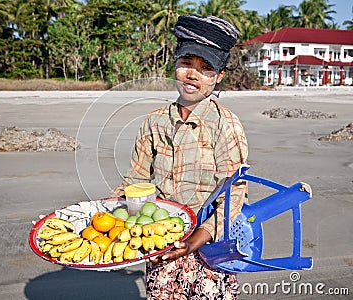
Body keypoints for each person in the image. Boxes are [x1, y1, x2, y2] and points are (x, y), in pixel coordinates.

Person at [110, 15, 248, 299]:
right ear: (174, 64)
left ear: (219, 76)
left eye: (206, 68)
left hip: (208, 248)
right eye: (186, 63)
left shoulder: (226, 126)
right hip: (159, 242)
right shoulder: (154, 122)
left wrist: (196, 240)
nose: (192, 74)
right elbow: (135, 180)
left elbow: (234, 195)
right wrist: (108, 208)